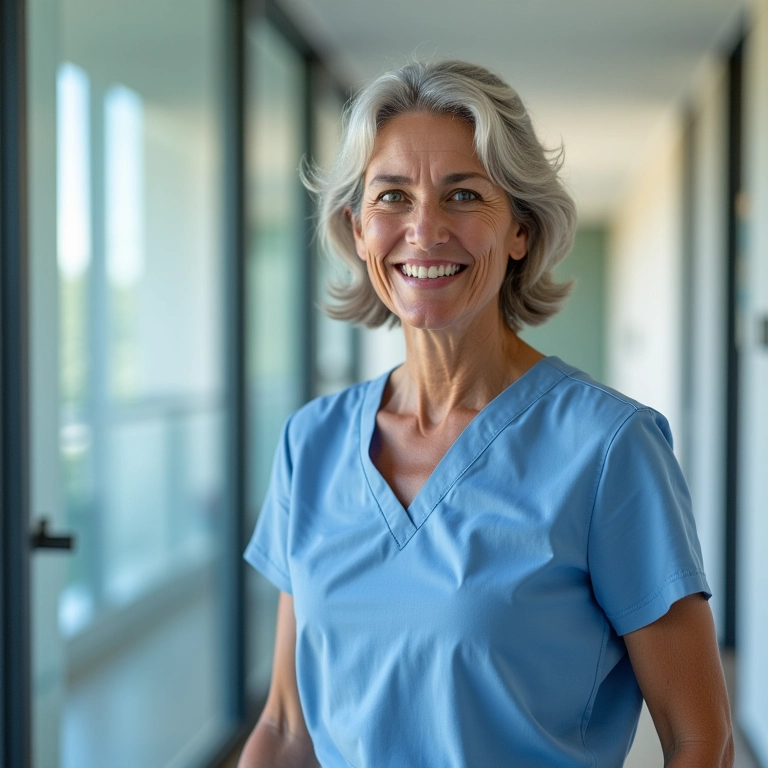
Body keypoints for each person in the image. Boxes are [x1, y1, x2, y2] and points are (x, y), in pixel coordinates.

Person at [238, 59, 734, 768]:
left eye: (464, 194)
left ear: (520, 231)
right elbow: (287, 728)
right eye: (393, 197)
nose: (425, 228)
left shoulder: (608, 449)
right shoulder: (310, 443)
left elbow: (699, 738)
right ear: (358, 228)